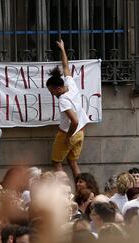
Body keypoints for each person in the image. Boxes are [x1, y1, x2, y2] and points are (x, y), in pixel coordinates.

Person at [46, 39, 89, 180]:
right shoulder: (71, 85)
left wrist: (67, 138)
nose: (52, 94)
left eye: (52, 91)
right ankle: (82, 191)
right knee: (72, 161)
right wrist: (63, 49)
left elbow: (74, 121)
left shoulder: (63, 100)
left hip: (69, 133)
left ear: (58, 88)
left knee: (56, 162)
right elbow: (66, 67)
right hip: (81, 132)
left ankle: (64, 192)